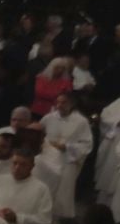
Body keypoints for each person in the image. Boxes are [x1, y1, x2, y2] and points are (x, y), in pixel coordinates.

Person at [39, 89, 93, 217]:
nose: (59, 106)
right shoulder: (49, 118)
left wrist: (67, 147)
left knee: (63, 192)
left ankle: (61, 218)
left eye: (63, 103)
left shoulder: (81, 121)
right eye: (58, 102)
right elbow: (38, 134)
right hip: (48, 159)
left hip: (67, 160)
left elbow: (87, 144)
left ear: (71, 104)